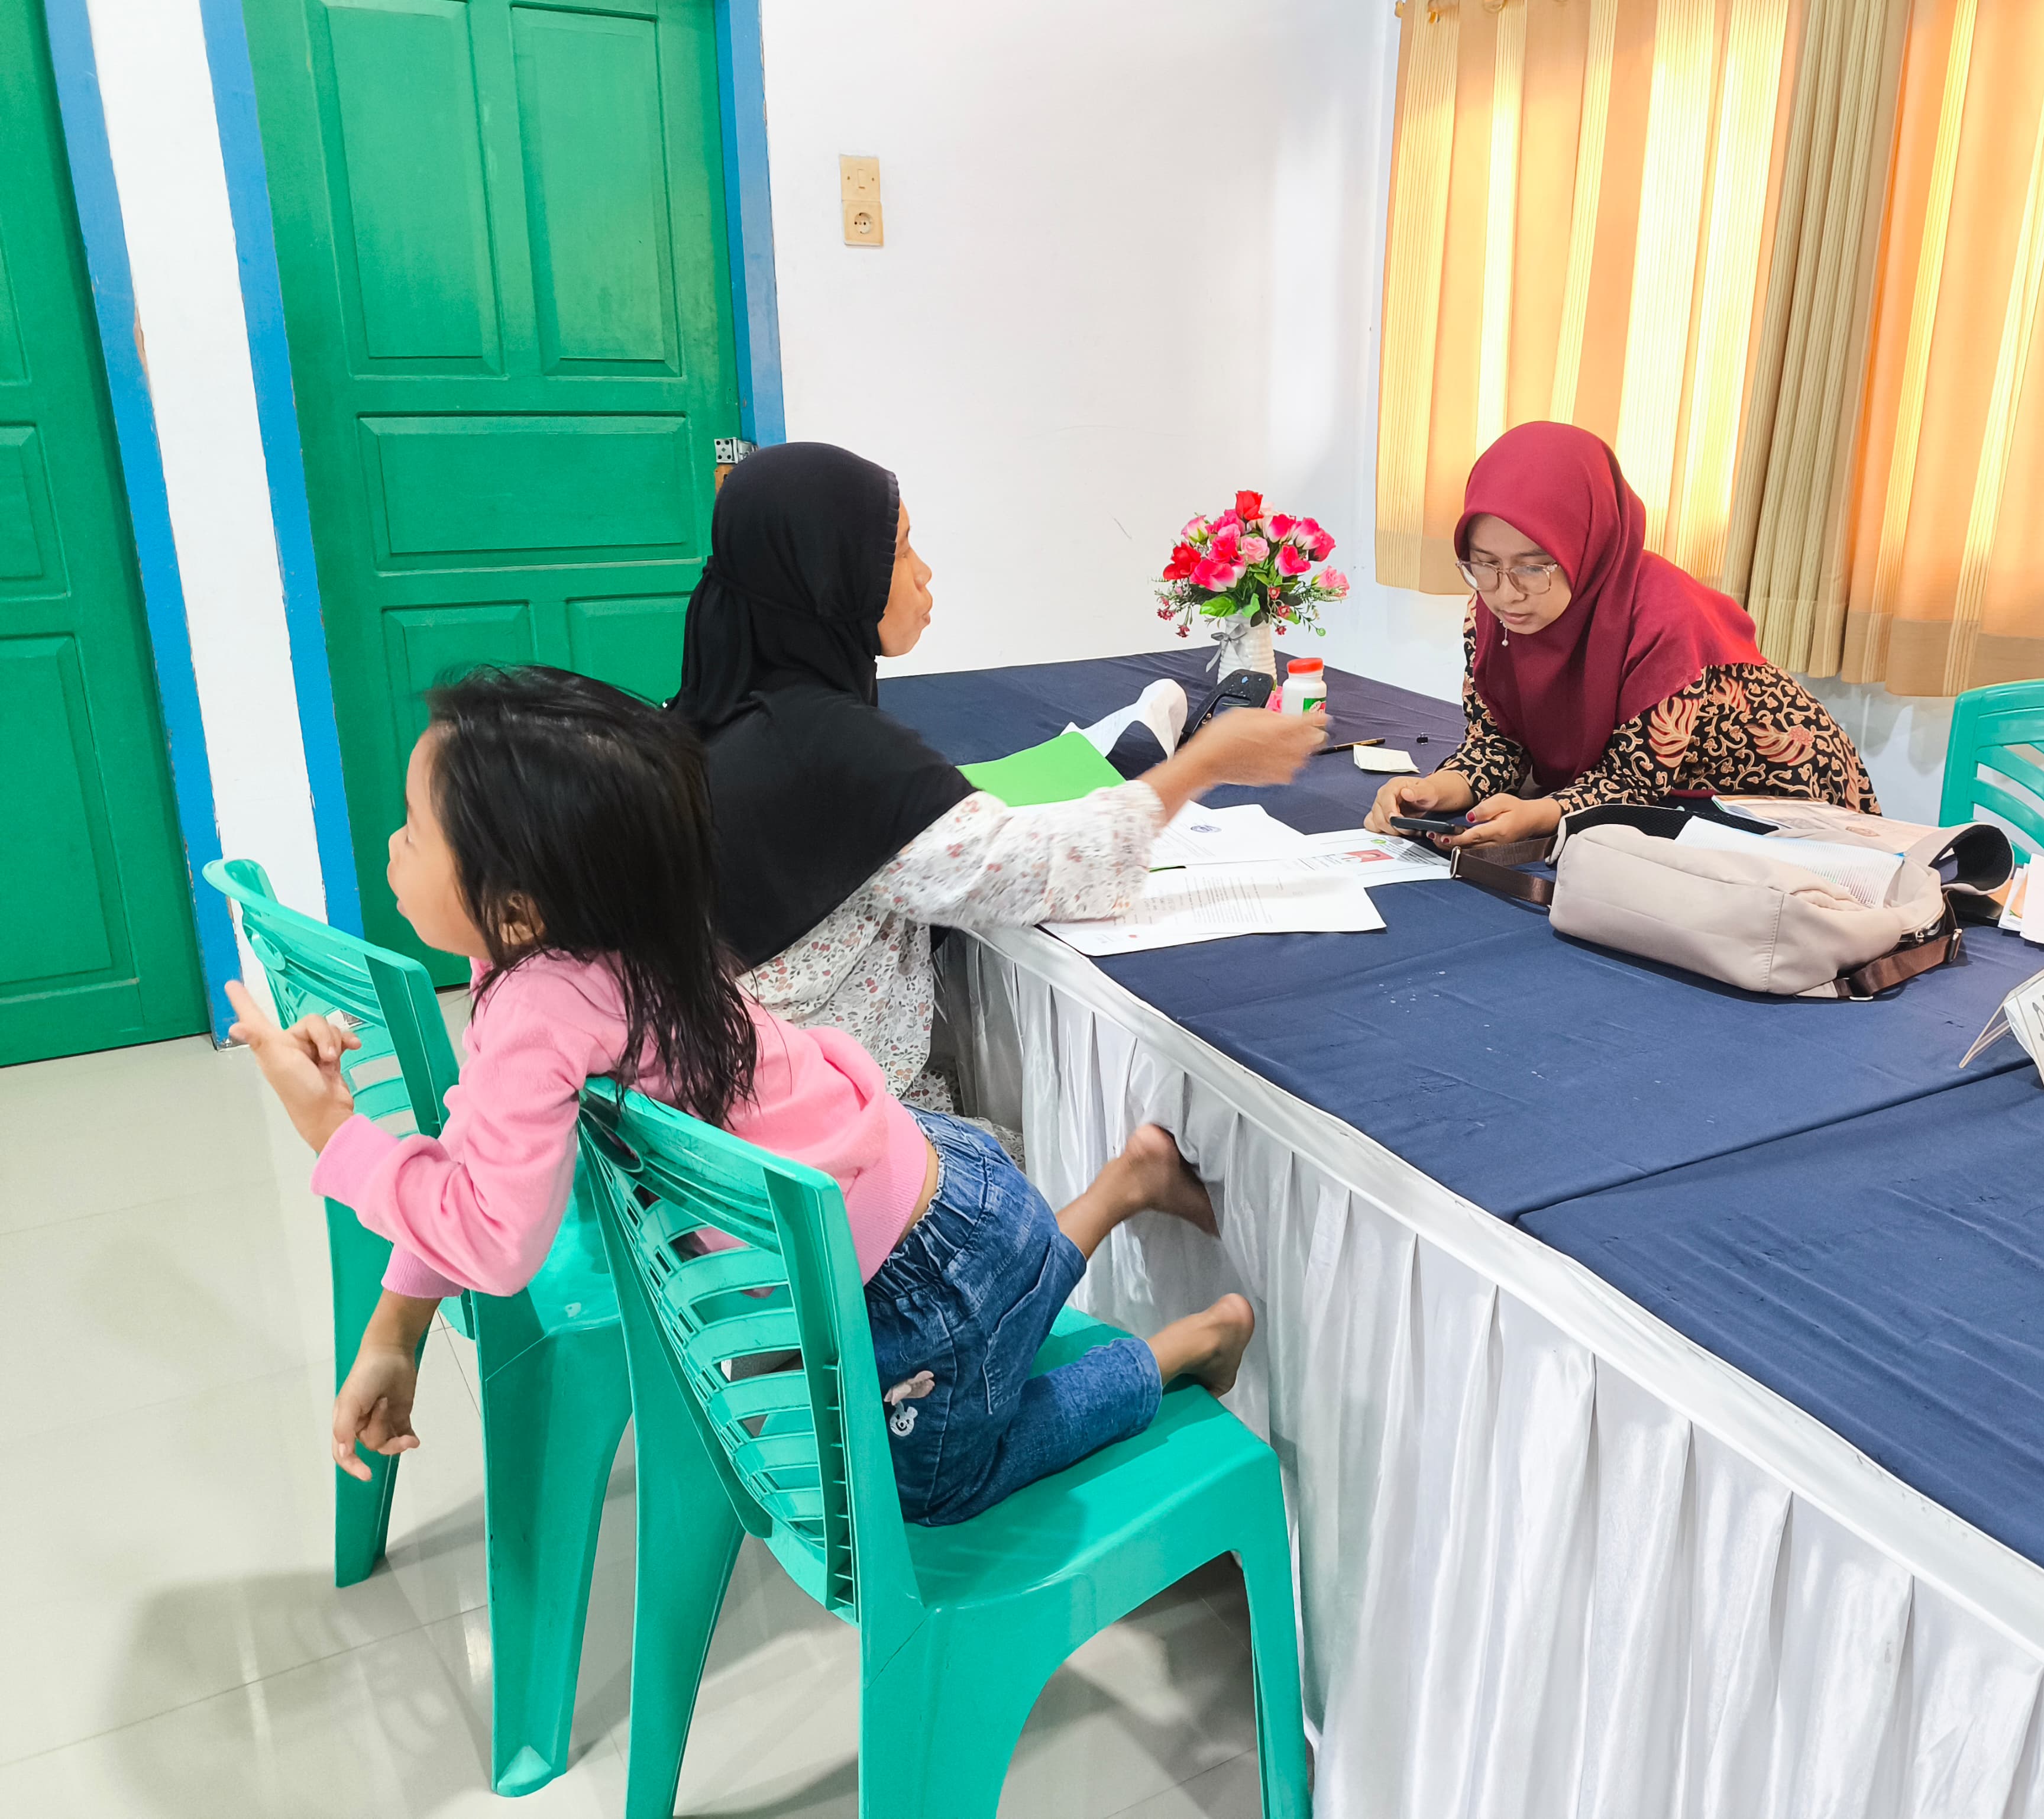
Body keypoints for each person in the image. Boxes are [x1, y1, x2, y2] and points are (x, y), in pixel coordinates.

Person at [225, 667, 1253, 1526]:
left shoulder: (541, 1001)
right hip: (946, 1199)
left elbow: (496, 1240)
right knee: (991, 1309)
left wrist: (334, 1130)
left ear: (522, 906)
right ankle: (1125, 1183)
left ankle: (1184, 1348)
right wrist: (394, 1331)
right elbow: (477, 1162)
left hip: (920, 1278)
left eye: (415, 830)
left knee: (934, 1485)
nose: (392, 843)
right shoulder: (594, 947)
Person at [670, 443, 1325, 1107]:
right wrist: (1206, 762)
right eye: (900, 551)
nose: (924, 573)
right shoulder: (829, 747)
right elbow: (1048, 873)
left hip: (733, 1097)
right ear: (829, 577)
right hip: (817, 1128)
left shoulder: (715, 708)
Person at [1367, 421, 1876, 848]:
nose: (1506, 593)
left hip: (1779, 805)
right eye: (1484, 564)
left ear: (1586, 545)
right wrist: (1434, 790)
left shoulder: (1666, 622)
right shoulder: (1489, 611)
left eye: (1533, 567)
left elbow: (1633, 783)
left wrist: (1542, 814)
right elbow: (1499, 744)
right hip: (1659, 806)